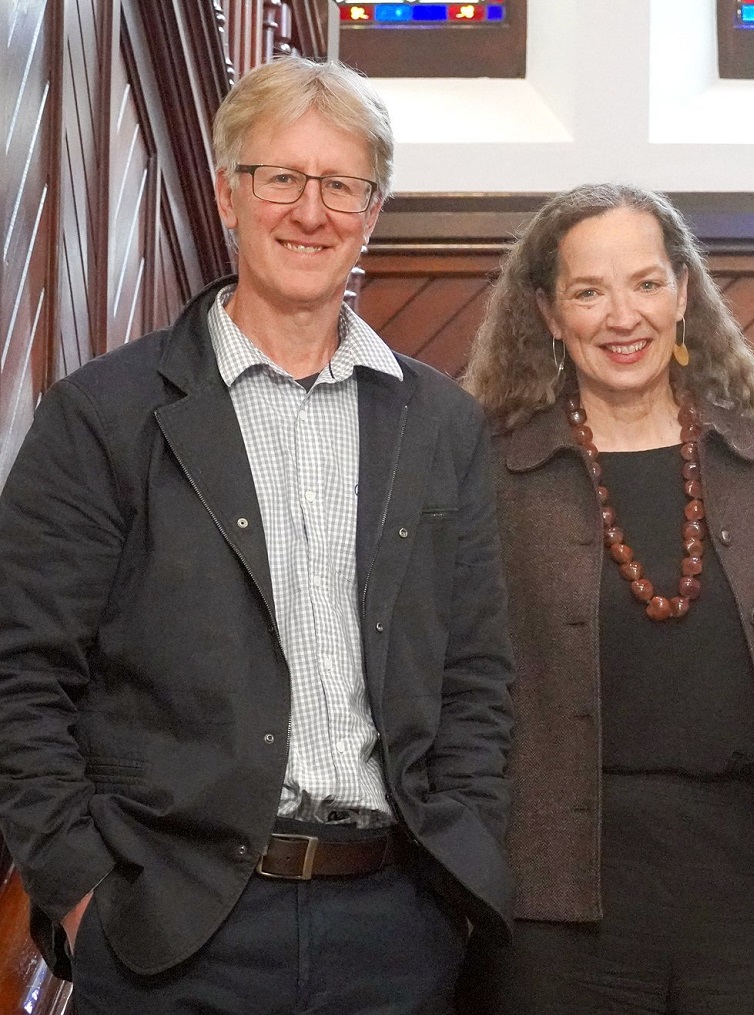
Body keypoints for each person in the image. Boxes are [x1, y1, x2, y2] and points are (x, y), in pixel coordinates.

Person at [0, 57, 514, 1014]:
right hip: (173, 928)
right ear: (227, 192)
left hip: (395, 925)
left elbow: (476, 673)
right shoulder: (103, 415)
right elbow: (20, 672)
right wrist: (79, 892)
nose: (309, 211)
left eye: (341, 185)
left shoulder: (441, 424)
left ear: (374, 211)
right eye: (280, 177)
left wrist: (459, 871)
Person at [459, 182, 754, 1015]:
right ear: (546, 310)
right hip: (560, 893)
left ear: (683, 292)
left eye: (644, 283)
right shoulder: (491, 475)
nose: (621, 316)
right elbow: (460, 689)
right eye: (588, 291)